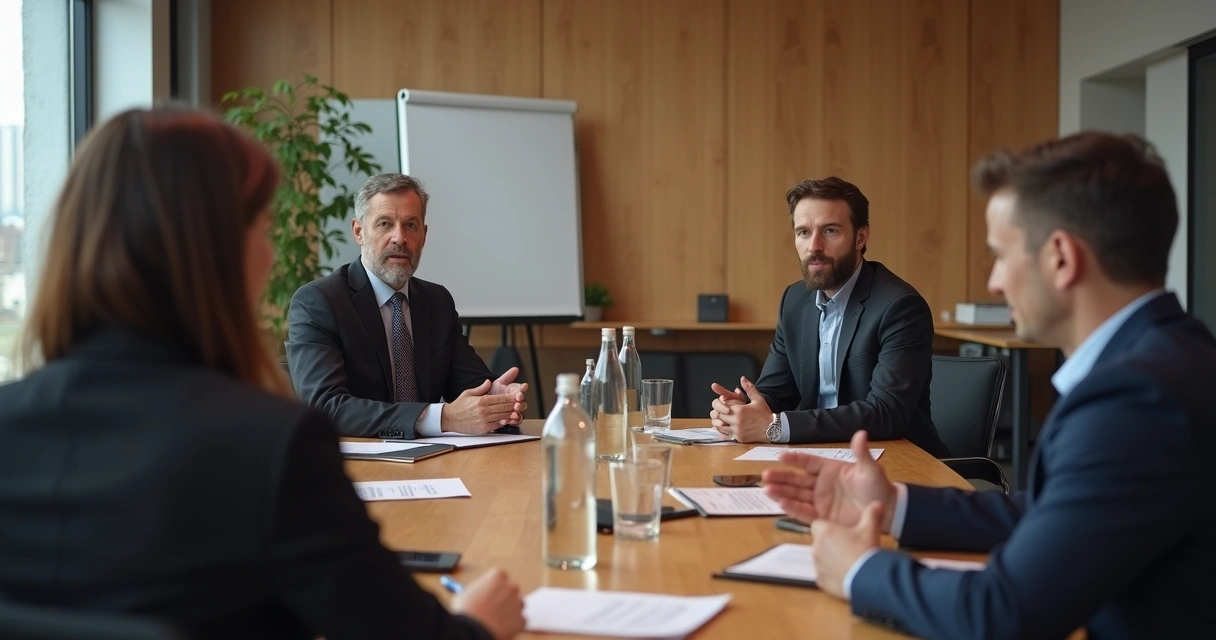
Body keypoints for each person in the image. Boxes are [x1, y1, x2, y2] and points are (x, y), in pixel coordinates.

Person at [0, 107, 525, 640]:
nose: (272, 254)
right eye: (263, 227)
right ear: (217, 248)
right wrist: (479, 625)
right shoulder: (273, 448)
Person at [763, 132, 1216, 638]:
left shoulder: (1135, 400)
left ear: (1062, 258)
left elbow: (1003, 613)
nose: (996, 283)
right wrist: (893, 505)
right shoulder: (1167, 358)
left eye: (1001, 255)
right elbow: (1048, 513)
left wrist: (860, 571)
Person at [709, 177, 948, 456]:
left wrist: (773, 426)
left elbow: (887, 413)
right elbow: (775, 392)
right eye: (803, 232)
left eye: (830, 231)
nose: (814, 246)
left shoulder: (900, 306)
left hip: (896, 460)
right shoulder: (795, 301)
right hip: (818, 455)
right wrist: (741, 411)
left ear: (861, 237)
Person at [286, 173, 527, 438]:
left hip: (435, 461)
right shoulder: (320, 302)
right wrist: (442, 417)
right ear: (358, 231)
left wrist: (496, 399)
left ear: (423, 235)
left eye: (410, 225)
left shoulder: (436, 301)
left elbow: (469, 384)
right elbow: (325, 407)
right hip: (358, 465)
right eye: (385, 224)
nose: (399, 238)